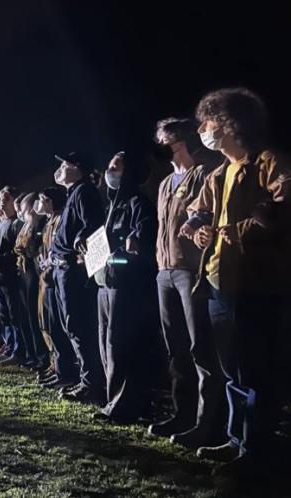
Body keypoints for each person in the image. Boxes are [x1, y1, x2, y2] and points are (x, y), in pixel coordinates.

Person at [180, 88, 290, 476]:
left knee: (256, 370)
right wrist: (197, 229)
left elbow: (282, 209)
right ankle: (236, 439)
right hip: (217, 284)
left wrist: (235, 231)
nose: (202, 130)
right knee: (233, 369)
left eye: (207, 121)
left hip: (256, 285)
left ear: (229, 123)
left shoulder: (268, 162)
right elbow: (197, 212)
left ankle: (257, 451)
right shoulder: (218, 173)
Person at [148, 117, 226, 449]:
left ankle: (209, 423)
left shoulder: (204, 173)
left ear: (180, 142)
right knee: (177, 348)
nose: (159, 146)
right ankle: (183, 414)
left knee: (201, 349)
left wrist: (197, 223)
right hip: (165, 271)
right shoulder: (166, 183)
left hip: (191, 271)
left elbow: (209, 210)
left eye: (164, 141)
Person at [92, 149, 158, 423]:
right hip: (105, 284)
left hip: (127, 287)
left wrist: (127, 246)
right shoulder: (112, 206)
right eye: (109, 166)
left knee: (121, 346)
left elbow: (142, 243)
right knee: (106, 344)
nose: (109, 171)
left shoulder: (138, 204)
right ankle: (113, 399)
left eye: (116, 167)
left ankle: (126, 405)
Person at [51, 152, 107, 404]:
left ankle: (91, 384)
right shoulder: (74, 193)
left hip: (73, 271)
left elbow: (93, 223)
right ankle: (86, 379)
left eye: (66, 164)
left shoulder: (84, 191)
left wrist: (79, 241)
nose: (61, 169)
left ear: (79, 168)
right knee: (72, 326)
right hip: (63, 269)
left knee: (79, 326)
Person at [34, 187, 79, 390]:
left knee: (60, 329)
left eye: (43, 199)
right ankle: (59, 369)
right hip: (48, 278)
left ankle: (66, 372)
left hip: (56, 277)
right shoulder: (49, 221)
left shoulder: (60, 220)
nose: (40, 203)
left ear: (52, 201)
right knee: (51, 326)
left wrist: (50, 262)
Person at [0, 186, 30, 367]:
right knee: (5, 316)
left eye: (5, 199)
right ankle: (9, 348)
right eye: (0, 199)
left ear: (14, 201)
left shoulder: (17, 223)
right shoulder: (2, 223)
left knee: (14, 314)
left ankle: (19, 351)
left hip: (12, 275)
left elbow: (18, 250)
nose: (1, 202)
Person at [13, 192, 51, 376]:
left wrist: (25, 250)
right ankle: (33, 354)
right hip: (25, 274)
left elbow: (36, 249)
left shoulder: (40, 224)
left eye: (24, 209)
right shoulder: (26, 226)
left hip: (35, 275)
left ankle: (42, 357)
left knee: (36, 318)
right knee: (27, 317)